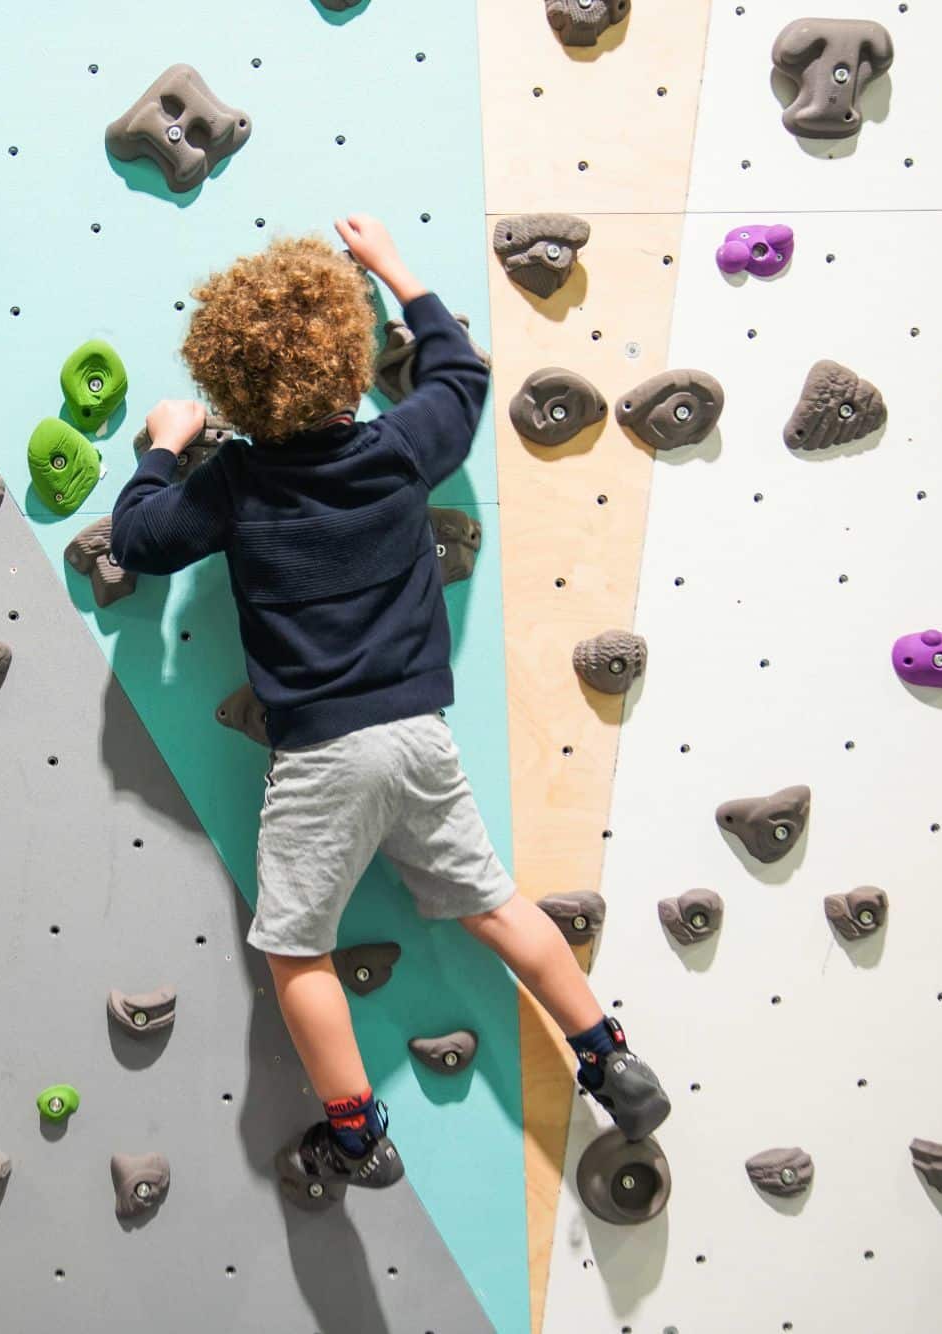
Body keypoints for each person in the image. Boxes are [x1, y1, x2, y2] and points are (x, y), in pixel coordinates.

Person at [110, 217, 669, 1193]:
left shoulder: (234, 484)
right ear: (352, 358)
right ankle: (607, 1052)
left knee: (295, 951)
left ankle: (356, 1131)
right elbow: (458, 377)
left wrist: (165, 450)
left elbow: (142, 542)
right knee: (493, 905)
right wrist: (395, 272)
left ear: (228, 386)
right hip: (418, 737)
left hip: (320, 756)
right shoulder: (400, 443)